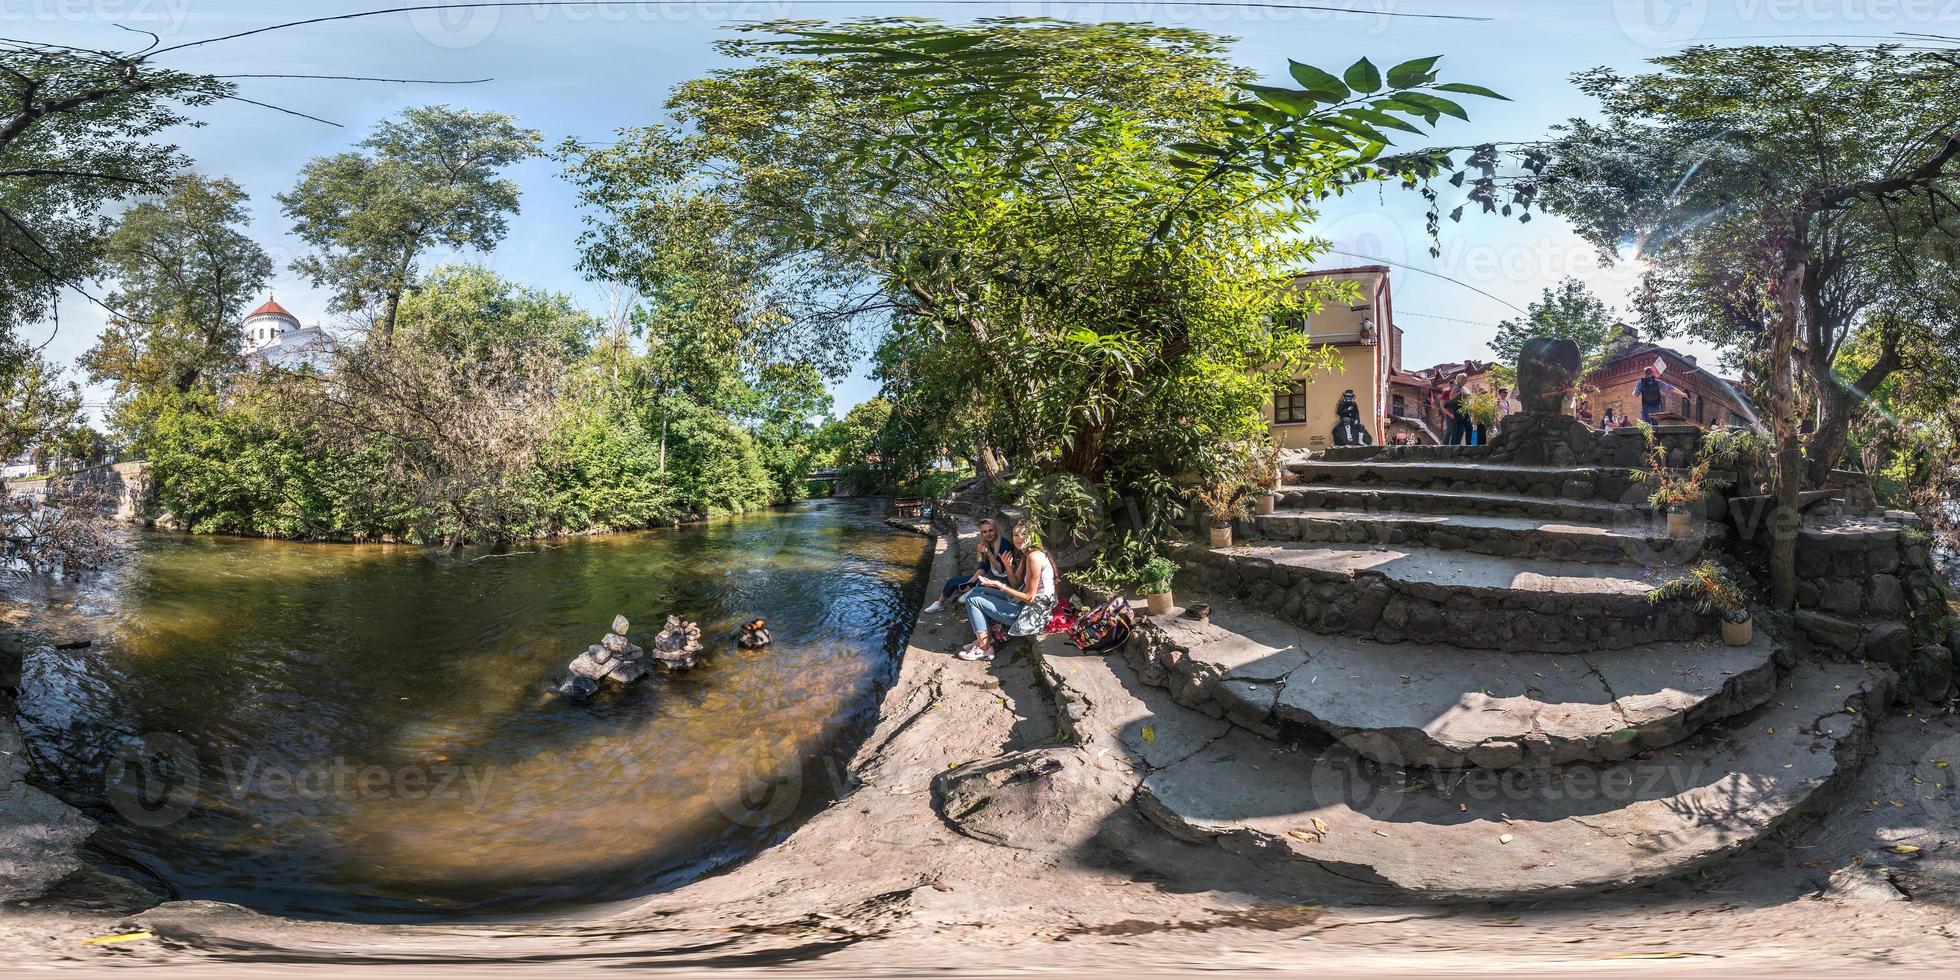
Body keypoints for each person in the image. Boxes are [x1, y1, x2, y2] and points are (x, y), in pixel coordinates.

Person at [956, 519, 1055, 662]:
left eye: (1024, 534)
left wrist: (999, 585)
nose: (1019, 538)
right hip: (1024, 605)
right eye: (1015, 535)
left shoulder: (1034, 557)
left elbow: (1029, 597)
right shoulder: (1027, 554)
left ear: (1033, 536)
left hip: (1034, 614)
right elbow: (1015, 585)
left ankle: (984, 649)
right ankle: (986, 640)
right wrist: (1008, 567)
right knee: (976, 591)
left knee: (973, 600)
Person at [923, 517, 1019, 613]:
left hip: (1003, 580)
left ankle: (972, 591)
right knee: (952, 581)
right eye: (984, 532)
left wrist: (989, 553)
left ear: (996, 530)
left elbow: (1001, 570)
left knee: (982, 580)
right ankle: (939, 603)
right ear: (981, 533)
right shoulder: (983, 545)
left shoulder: (1004, 545)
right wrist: (970, 582)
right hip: (988, 576)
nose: (988, 534)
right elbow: (982, 566)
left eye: (991, 530)